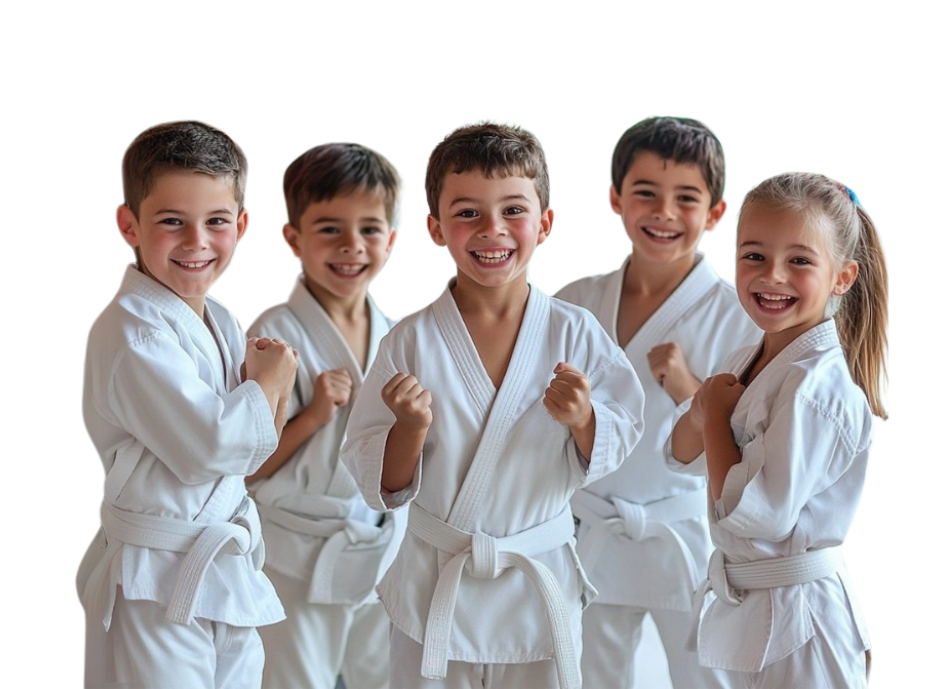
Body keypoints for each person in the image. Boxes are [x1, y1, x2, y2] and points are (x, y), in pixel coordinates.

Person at [341, 118, 645, 689]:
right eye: (467, 213)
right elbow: (378, 478)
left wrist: (584, 420)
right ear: (434, 227)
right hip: (435, 585)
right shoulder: (408, 340)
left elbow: (622, 432)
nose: (491, 230)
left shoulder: (574, 333)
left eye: (512, 210)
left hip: (536, 584)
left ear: (545, 222)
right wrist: (408, 426)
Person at [77, 120, 298, 689]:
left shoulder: (222, 321)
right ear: (129, 224)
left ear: (242, 225)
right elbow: (210, 448)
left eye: (216, 221)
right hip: (155, 576)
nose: (197, 242)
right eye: (171, 221)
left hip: (222, 568)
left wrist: (266, 388)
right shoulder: (131, 332)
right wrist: (271, 381)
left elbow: (249, 456)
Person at [554, 114, 758, 689]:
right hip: (590, 526)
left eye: (686, 198)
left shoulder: (735, 312)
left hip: (683, 528)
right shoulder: (576, 301)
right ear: (616, 198)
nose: (664, 213)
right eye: (646, 193)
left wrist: (689, 389)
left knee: (706, 675)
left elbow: (749, 442)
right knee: (589, 675)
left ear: (717, 213)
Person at [669, 171, 885, 688]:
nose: (772, 277)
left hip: (803, 624)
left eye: (800, 261)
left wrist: (714, 416)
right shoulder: (747, 359)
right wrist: (704, 411)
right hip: (751, 611)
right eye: (754, 256)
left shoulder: (816, 387)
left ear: (843, 277)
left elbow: (754, 516)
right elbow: (678, 453)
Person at [246, 141, 404, 689]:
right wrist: (313, 414)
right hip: (293, 551)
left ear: (393, 237)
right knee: (295, 681)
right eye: (330, 228)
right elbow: (245, 467)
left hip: (379, 547)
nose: (351, 246)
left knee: (388, 677)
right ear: (293, 238)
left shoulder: (399, 336)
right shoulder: (272, 337)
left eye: (369, 229)